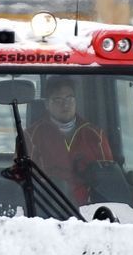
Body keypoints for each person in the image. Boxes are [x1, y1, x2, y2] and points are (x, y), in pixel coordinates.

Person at [24, 75, 113, 204]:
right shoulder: (30, 137)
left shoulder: (95, 135)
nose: (65, 105)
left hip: (91, 212)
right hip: (47, 209)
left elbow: (108, 179)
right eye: (58, 100)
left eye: (69, 98)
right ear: (47, 104)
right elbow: (23, 181)